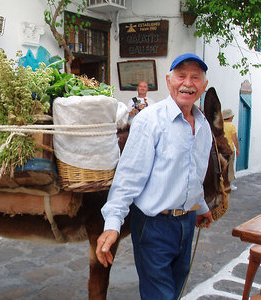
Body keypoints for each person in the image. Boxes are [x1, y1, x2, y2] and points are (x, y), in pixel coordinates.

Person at [96, 53, 214, 300]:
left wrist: (200, 206)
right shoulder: (150, 121)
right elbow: (128, 176)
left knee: (174, 291)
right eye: (181, 76)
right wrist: (112, 224)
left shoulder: (203, 126)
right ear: (169, 80)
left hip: (187, 223)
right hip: (154, 226)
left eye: (195, 77)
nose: (188, 83)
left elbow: (193, 173)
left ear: (203, 85)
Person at [222, 109, 239, 190]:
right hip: (229, 150)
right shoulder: (231, 126)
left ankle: (221, 185)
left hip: (221, 150)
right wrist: (237, 149)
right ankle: (228, 185)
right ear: (229, 117)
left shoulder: (220, 125)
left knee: (221, 167)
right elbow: (234, 138)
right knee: (230, 167)